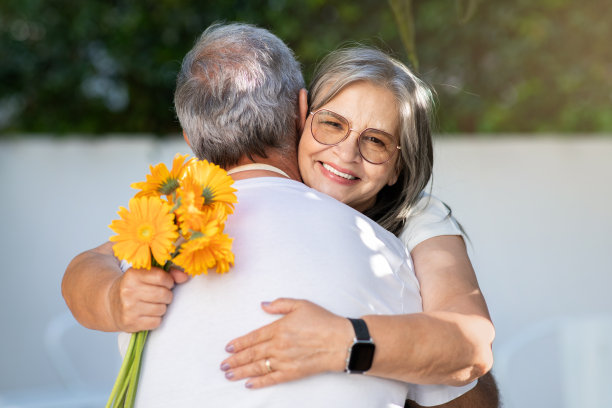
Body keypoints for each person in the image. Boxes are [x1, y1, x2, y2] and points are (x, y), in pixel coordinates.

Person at [62, 23, 497, 407]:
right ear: (303, 116)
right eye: (332, 124)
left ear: (398, 168)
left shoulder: (414, 223)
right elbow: (89, 263)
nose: (345, 153)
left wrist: (343, 340)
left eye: (377, 141)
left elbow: (471, 344)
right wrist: (114, 298)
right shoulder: (197, 206)